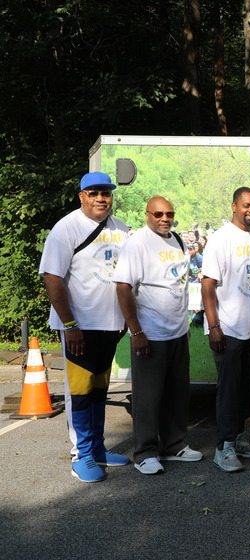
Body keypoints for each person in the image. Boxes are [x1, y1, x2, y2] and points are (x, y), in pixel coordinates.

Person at [39, 171, 132, 483]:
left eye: (105, 193)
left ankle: (98, 449)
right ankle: (82, 456)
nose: (100, 199)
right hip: (79, 327)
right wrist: (70, 324)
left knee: (98, 390)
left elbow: (125, 278)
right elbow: (51, 277)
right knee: (79, 392)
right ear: (81, 196)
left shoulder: (121, 228)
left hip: (109, 326)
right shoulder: (66, 227)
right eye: (93, 193)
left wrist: (124, 322)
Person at [114, 197, 203, 475]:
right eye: (159, 214)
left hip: (177, 331)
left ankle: (174, 446)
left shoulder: (176, 238)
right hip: (149, 333)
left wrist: (184, 328)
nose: (165, 218)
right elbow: (123, 287)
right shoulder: (137, 243)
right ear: (147, 215)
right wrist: (136, 331)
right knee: (148, 397)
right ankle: (145, 452)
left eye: (170, 214)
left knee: (177, 394)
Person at [201, 187, 250, 473]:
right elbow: (208, 284)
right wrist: (214, 326)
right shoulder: (220, 239)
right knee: (229, 390)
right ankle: (224, 447)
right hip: (228, 328)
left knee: (245, 389)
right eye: (246, 205)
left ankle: (237, 438)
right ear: (234, 206)